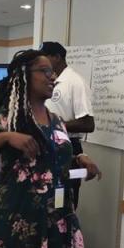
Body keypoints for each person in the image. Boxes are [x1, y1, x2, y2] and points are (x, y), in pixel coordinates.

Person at [0, 49, 101, 248]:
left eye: (53, 72)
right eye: (45, 71)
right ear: (24, 76)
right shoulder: (2, 120)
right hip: (12, 226)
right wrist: (4, 137)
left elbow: (47, 157)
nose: (52, 77)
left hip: (56, 223)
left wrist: (78, 158)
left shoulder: (57, 121)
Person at [40, 41, 95, 209]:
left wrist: (55, 125)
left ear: (57, 57)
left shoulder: (74, 82)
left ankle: (65, 234)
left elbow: (88, 123)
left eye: (46, 58)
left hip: (69, 148)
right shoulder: (52, 81)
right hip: (48, 147)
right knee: (47, 203)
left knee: (63, 205)